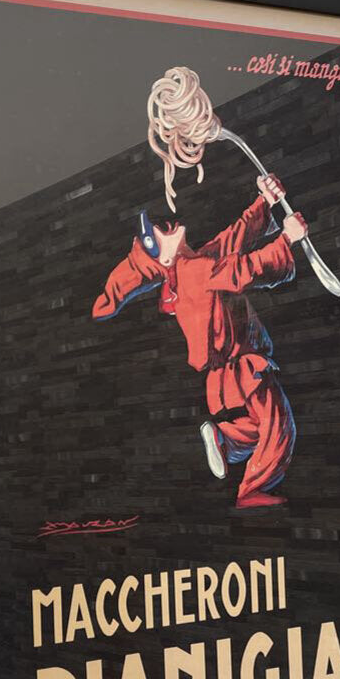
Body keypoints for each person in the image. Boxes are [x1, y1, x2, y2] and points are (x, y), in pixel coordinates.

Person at [92, 174, 307, 508]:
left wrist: (265, 201)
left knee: (256, 427)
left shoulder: (195, 264)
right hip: (243, 364)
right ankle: (252, 490)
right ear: (164, 261)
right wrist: (286, 240)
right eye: (155, 238)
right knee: (278, 425)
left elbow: (234, 237)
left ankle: (224, 440)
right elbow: (245, 269)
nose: (162, 228)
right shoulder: (195, 271)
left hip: (226, 376)